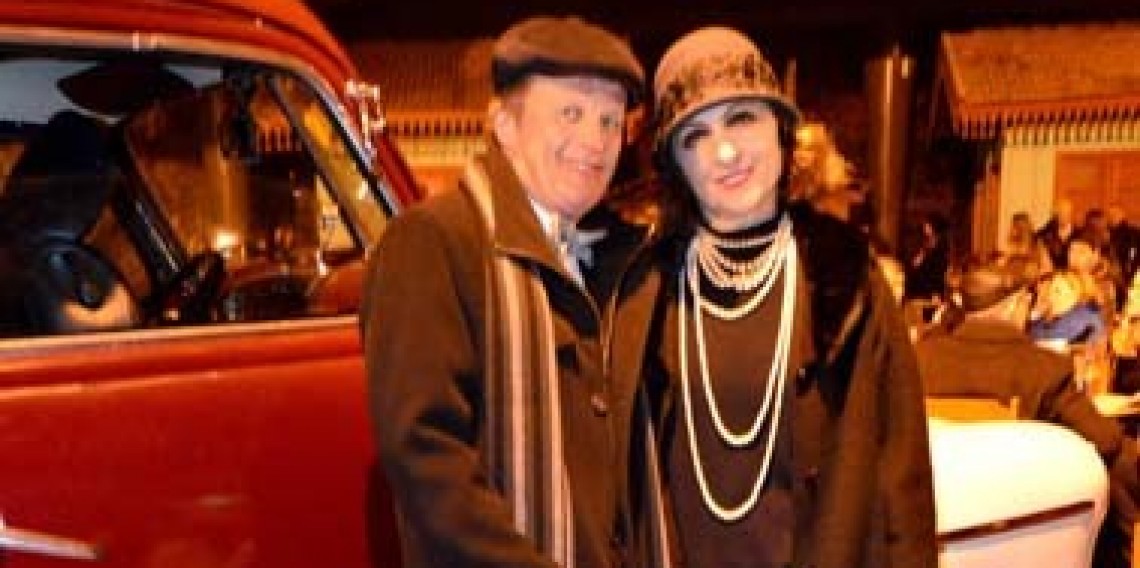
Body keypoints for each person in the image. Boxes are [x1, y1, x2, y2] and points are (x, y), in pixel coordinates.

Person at [361, 17, 660, 567]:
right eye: (570, 113)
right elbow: (426, 458)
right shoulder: (435, 241)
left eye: (610, 120)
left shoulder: (614, 262)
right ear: (504, 125)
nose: (594, 141)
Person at [643, 26, 937, 567]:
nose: (725, 151)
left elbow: (904, 487)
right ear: (675, 167)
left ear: (781, 131)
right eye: (694, 136)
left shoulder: (848, 285)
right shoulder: (649, 296)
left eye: (742, 119)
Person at [914, 260, 1140, 568]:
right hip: (1023, 523)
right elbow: (1105, 440)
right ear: (1016, 304)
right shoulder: (1042, 368)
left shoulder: (921, 358)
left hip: (937, 516)